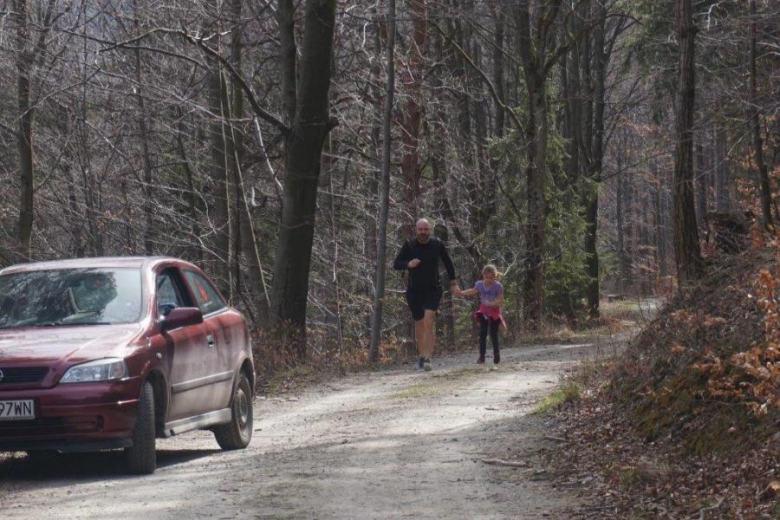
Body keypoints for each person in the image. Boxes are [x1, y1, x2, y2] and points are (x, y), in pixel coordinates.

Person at [393, 218, 461, 371]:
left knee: (429, 321)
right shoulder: (409, 245)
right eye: (420, 229)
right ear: (416, 230)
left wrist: (453, 283)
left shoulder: (436, 245)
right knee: (419, 325)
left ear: (430, 230)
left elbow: (448, 263)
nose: (423, 232)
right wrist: (408, 264)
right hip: (414, 291)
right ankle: (422, 356)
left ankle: (428, 358)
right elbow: (396, 263)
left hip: (433, 289)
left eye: (426, 229)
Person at [460, 264, 506, 365]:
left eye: (491, 277)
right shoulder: (480, 284)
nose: (489, 279)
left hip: (494, 311)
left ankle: (496, 353)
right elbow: (472, 291)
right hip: (484, 311)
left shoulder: (498, 286)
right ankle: (482, 357)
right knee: (483, 333)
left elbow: (501, 299)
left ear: (495, 276)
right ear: (483, 275)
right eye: (486, 277)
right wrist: (461, 292)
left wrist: (493, 303)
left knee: (493, 333)